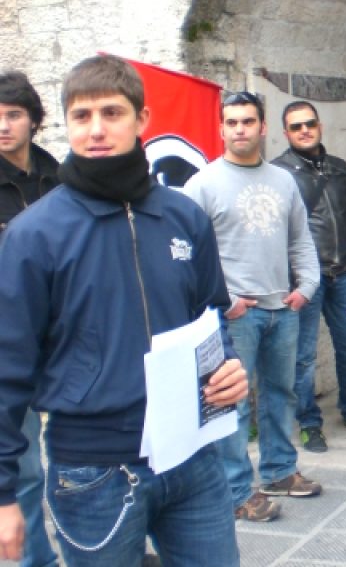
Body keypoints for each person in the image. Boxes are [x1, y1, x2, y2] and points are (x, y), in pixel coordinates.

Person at [0, 55, 248, 566]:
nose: (96, 129)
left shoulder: (184, 216)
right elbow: (7, 368)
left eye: (111, 113)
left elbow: (209, 321)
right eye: (82, 116)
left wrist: (228, 369)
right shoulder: (34, 235)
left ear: (142, 120)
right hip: (93, 470)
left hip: (192, 458)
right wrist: (3, 494)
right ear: (67, 124)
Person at [184, 90, 322, 523]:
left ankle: (279, 471)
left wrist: (309, 285)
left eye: (248, 121)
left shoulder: (283, 180)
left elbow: (299, 237)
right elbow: (185, 251)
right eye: (232, 122)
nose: (240, 129)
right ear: (221, 128)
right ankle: (235, 491)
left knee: (282, 394)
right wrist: (220, 300)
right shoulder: (202, 185)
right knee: (233, 403)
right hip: (233, 315)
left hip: (282, 308)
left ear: (263, 128)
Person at [271, 100, 346, 453]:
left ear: (319, 125)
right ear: (286, 133)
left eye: (309, 123)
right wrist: (294, 276)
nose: (304, 130)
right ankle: (309, 423)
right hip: (306, 281)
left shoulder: (339, 168)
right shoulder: (280, 173)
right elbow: (275, 231)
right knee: (304, 357)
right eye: (296, 127)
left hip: (341, 275)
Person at [0, 71, 60, 567]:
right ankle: (35, 560)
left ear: (34, 121)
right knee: (23, 467)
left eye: (13, 115)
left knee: (71, 458)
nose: (2, 125)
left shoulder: (55, 174)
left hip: (59, 332)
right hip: (8, 336)